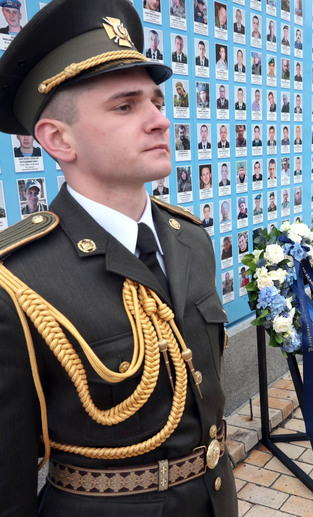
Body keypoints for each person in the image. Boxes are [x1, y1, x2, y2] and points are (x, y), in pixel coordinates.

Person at [0, 0, 238, 514]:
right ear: (57, 139)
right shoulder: (17, 280)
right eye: (125, 106)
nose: (159, 120)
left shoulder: (191, 240)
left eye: (156, 100)